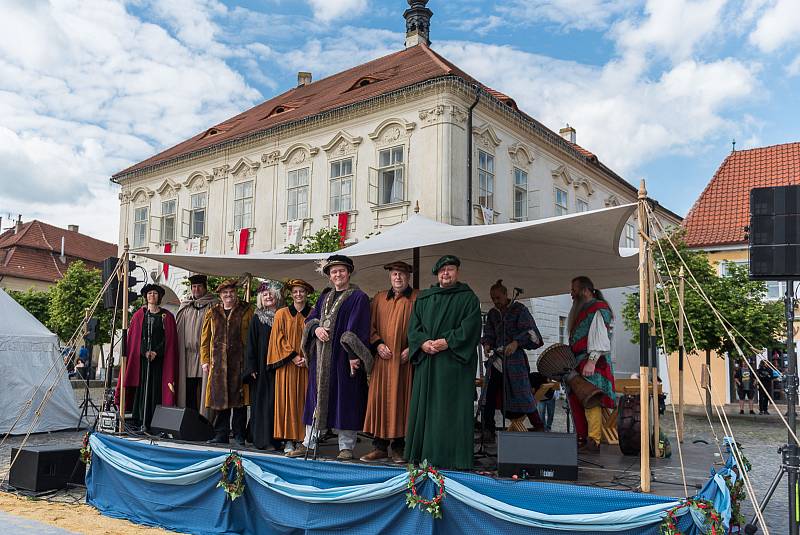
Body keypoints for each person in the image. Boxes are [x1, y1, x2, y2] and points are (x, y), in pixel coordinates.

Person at [288, 255, 372, 461]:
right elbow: (312, 318)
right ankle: (309, 442)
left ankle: (346, 447)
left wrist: (353, 355)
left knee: (346, 399)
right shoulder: (324, 297)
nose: (338, 274)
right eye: (334, 272)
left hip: (344, 358)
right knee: (315, 400)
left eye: (341, 270)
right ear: (329, 276)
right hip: (321, 358)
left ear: (349, 272)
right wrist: (315, 329)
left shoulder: (358, 297)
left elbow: (358, 327)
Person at [405, 255, 481, 470]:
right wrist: (422, 343)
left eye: (450, 269)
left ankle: (453, 458)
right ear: (437, 274)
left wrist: (448, 342)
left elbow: (471, 328)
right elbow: (413, 329)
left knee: (451, 411)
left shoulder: (468, 298)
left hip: (453, 366)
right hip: (428, 364)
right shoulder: (424, 298)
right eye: (442, 270)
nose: (446, 273)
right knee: (427, 409)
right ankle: (423, 455)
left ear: (457, 272)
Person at [361, 261, 419, 463]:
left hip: (404, 362)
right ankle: (379, 446)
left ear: (408, 277)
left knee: (402, 402)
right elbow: (370, 326)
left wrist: (413, 348)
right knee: (380, 401)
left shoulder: (417, 298)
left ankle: (399, 448)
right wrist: (377, 344)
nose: (398, 278)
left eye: (402, 274)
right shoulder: (378, 298)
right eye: (395, 274)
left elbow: (424, 328)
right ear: (390, 276)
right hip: (383, 361)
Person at [480, 280, 543, 437]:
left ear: (506, 295)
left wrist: (516, 343)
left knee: (523, 392)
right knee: (488, 393)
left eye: (498, 298)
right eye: (493, 298)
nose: (495, 301)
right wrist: (487, 344)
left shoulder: (519, 310)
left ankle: (539, 425)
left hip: (515, 360)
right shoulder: (493, 313)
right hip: (497, 360)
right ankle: (488, 428)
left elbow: (530, 332)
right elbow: (489, 333)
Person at [116, 284, 178, 431]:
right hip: (142, 361)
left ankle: (155, 421)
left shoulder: (167, 317)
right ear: (146, 296)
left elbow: (169, 340)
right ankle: (141, 420)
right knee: (143, 389)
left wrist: (157, 351)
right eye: (149, 293)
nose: (152, 296)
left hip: (159, 362)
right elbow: (136, 338)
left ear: (159, 297)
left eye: (155, 293)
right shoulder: (139, 315)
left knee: (156, 390)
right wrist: (145, 352)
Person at [200, 279, 254, 445]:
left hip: (240, 362)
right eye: (225, 293)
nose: (228, 295)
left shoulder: (246, 310)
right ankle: (221, 434)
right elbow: (205, 338)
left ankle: (239, 436)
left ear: (235, 293)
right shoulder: (213, 312)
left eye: (231, 292)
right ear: (220, 295)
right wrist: (205, 360)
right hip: (218, 364)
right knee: (220, 400)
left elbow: (252, 337)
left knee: (239, 401)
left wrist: (251, 362)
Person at [568, 276, 616, 453]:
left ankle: (593, 440)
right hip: (579, 362)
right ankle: (581, 437)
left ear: (585, 291)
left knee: (590, 399)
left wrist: (591, 361)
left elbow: (600, 338)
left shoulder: (598, 308)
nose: (571, 294)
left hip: (593, 362)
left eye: (574, 290)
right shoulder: (583, 310)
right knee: (577, 399)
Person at [270, 279, 314, 453]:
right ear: (291, 294)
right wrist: (294, 356)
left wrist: (306, 358)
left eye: (301, 291)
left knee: (304, 402)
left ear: (306, 293)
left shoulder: (313, 314)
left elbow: (316, 339)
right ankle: (288, 439)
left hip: (307, 366)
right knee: (287, 402)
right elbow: (277, 339)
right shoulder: (281, 314)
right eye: (295, 291)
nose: (298, 294)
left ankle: (303, 440)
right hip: (287, 365)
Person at [243, 281, 283, 450]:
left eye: (271, 294)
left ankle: (276, 438)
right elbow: (250, 344)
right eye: (264, 295)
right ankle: (262, 440)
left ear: (277, 296)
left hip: (279, 366)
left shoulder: (283, 316)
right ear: (260, 298)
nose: (268, 296)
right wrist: (251, 367)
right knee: (261, 404)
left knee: (276, 403)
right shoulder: (257, 318)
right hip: (260, 367)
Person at [175, 274, 218, 415]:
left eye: (199, 286)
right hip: (187, 356)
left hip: (205, 355)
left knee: (204, 388)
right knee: (189, 389)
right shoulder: (185, 305)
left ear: (205, 287)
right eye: (194, 287)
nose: (196, 289)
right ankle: (189, 417)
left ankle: (205, 419)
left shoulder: (214, 304)